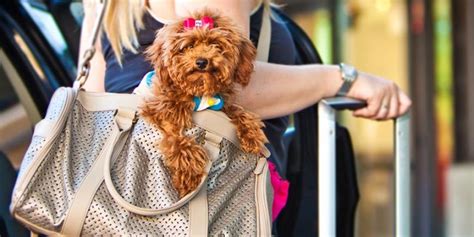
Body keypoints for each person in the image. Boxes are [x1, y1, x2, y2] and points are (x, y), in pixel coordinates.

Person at [79, 0, 411, 225]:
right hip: (206, 206)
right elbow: (226, 86)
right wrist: (341, 79)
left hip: (120, 201)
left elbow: (91, 101)